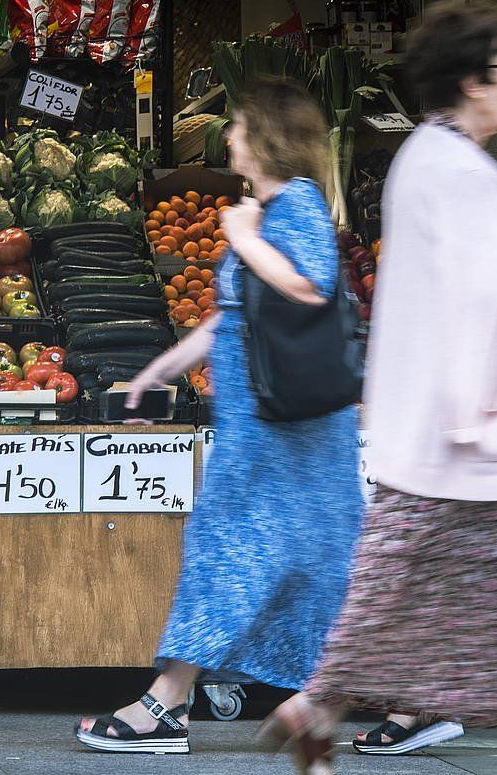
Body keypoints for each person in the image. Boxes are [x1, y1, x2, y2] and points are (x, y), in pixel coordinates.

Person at [258, 2, 497, 775]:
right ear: (472, 82)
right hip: (479, 426)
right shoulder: (461, 173)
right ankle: (328, 707)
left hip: (442, 423)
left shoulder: (427, 158)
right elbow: (484, 293)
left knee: (450, 586)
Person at [74, 78, 365, 755]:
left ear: (266, 138)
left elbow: (310, 286)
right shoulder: (267, 210)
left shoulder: (291, 206)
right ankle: (303, 699)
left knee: (232, 557)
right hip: (264, 435)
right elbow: (233, 321)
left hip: (282, 438)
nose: (227, 136)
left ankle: (167, 704)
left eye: (236, 126)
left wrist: (243, 235)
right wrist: (154, 374)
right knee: (273, 560)